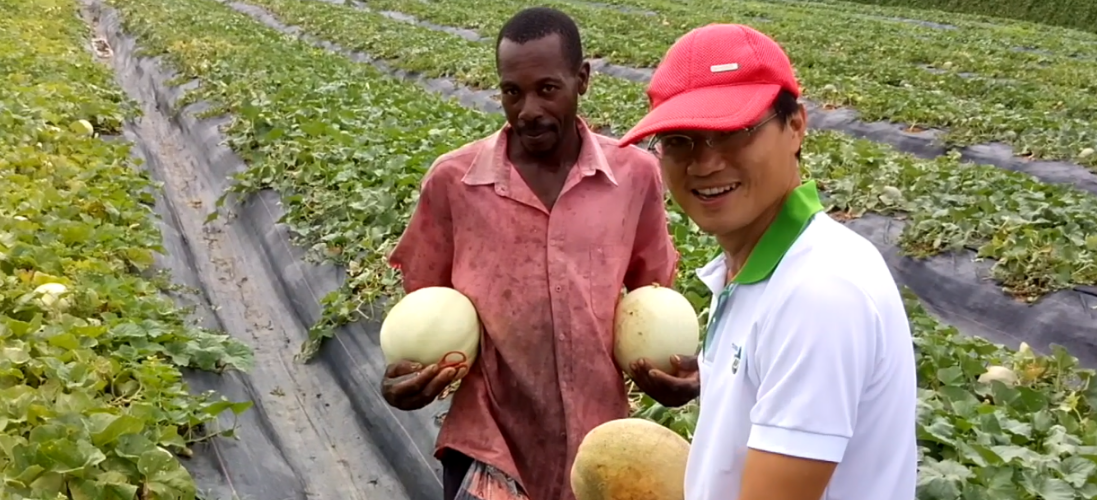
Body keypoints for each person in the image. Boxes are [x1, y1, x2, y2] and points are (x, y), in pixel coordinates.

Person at [381, 6, 679, 500]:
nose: (528, 111)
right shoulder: (454, 182)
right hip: (488, 442)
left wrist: (673, 375)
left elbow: (652, 301)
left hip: (600, 445)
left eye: (547, 88)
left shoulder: (635, 176)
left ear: (581, 79)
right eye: (511, 92)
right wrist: (405, 378)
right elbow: (425, 305)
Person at [616, 24, 919, 500]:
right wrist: (722, 384)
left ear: (796, 126)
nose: (704, 163)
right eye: (679, 139)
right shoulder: (755, 270)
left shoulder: (819, 294)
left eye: (733, 131)